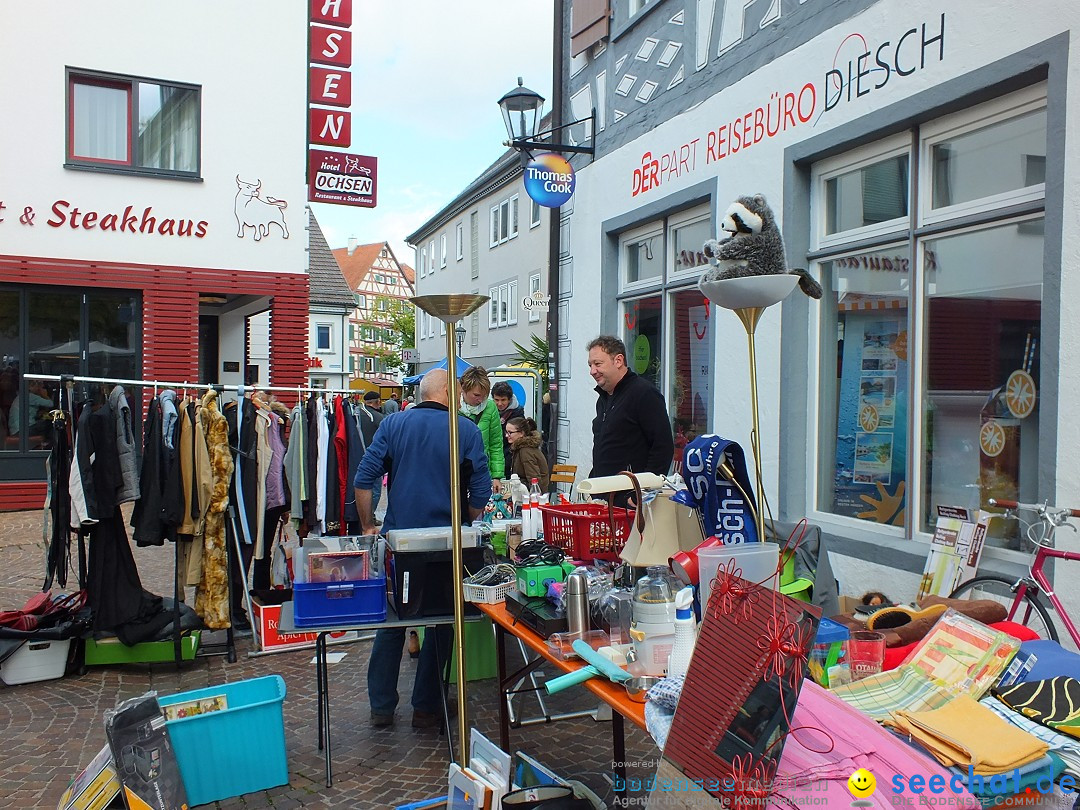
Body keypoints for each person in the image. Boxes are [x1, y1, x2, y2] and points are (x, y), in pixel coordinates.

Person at [354, 368, 491, 729]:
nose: (462, 397)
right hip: (448, 544)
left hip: (402, 544)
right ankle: (426, 707)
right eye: (459, 391)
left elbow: (364, 478)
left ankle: (381, 706)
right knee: (443, 620)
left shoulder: (394, 424)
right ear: (447, 391)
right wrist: (467, 516)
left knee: (395, 618)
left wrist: (369, 524)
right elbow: (480, 492)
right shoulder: (466, 430)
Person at [587, 335, 674, 482]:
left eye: (598, 364)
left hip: (629, 497)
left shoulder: (644, 393)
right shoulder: (603, 399)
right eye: (590, 365)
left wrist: (642, 492)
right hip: (604, 492)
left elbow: (662, 447)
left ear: (618, 361)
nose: (592, 371)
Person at [458, 366, 504, 480]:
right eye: (477, 395)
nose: (481, 400)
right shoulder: (451, 406)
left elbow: (496, 444)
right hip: (455, 471)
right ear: (463, 389)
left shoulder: (490, 407)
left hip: (481, 471)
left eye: (485, 395)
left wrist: (497, 477)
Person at [357, 390, 385, 515]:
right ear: (377, 402)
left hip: (355, 455)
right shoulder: (377, 417)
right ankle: (370, 516)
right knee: (374, 490)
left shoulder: (356, 413)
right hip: (374, 458)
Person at [506, 416, 549, 492]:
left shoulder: (525, 451)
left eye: (510, 433)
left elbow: (534, 479)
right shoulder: (521, 448)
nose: (507, 435)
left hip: (531, 497)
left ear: (521, 433)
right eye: (506, 432)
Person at [491, 381, 524, 475]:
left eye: (503, 400)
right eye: (496, 400)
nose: (499, 403)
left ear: (509, 400)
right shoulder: (488, 411)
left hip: (509, 455)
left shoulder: (517, 412)